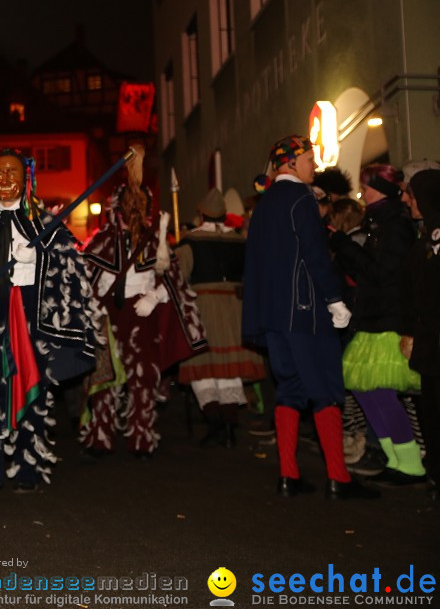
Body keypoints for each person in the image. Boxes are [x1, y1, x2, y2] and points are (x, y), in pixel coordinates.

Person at [242, 135, 377, 500]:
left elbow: (255, 265)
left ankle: (288, 475)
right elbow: (315, 252)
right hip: (305, 312)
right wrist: (334, 299)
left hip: (274, 316)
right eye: (309, 159)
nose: (314, 166)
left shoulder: (265, 202)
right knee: (326, 391)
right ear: (290, 163)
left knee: (289, 389)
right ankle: (339, 478)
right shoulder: (301, 198)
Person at [0, 148, 99, 492]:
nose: (6, 180)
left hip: (32, 319)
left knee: (34, 394)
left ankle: (28, 469)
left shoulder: (47, 226)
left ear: (27, 179)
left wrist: (40, 257)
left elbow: (73, 271)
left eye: (14, 173)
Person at [80, 146, 206, 458]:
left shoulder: (155, 241)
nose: (133, 208)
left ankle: (141, 435)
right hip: (108, 317)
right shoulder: (102, 240)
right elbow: (85, 278)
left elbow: (174, 281)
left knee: (142, 377)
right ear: (117, 207)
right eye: (128, 203)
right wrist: (93, 305)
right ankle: (101, 434)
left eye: (138, 203)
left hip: (142, 315)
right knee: (104, 376)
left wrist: (155, 296)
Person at [331, 164, 425, 486]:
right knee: (364, 389)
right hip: (373, 318)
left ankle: (410, 463)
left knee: (381, 394)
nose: (362, 193)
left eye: (367, 187)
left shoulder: (395, 225)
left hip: (388, 318)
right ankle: (396, 458)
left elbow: (381, 274)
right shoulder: (380, 221)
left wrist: (344, 246)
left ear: (382, 191)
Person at [176, 188, 265, 448]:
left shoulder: (190, 241)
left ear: (201, 213)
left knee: (203, 364)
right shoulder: (240, 241)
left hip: (204, 306)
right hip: (235, 307)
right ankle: (229, 427)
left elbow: (180, 276)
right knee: (229, 368)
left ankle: (215, 422)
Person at [403, 169, 440, 499]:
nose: (406, 200)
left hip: (434, 345)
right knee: (430, 416)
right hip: (430, 348)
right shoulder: (425, 238)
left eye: (411, 195)